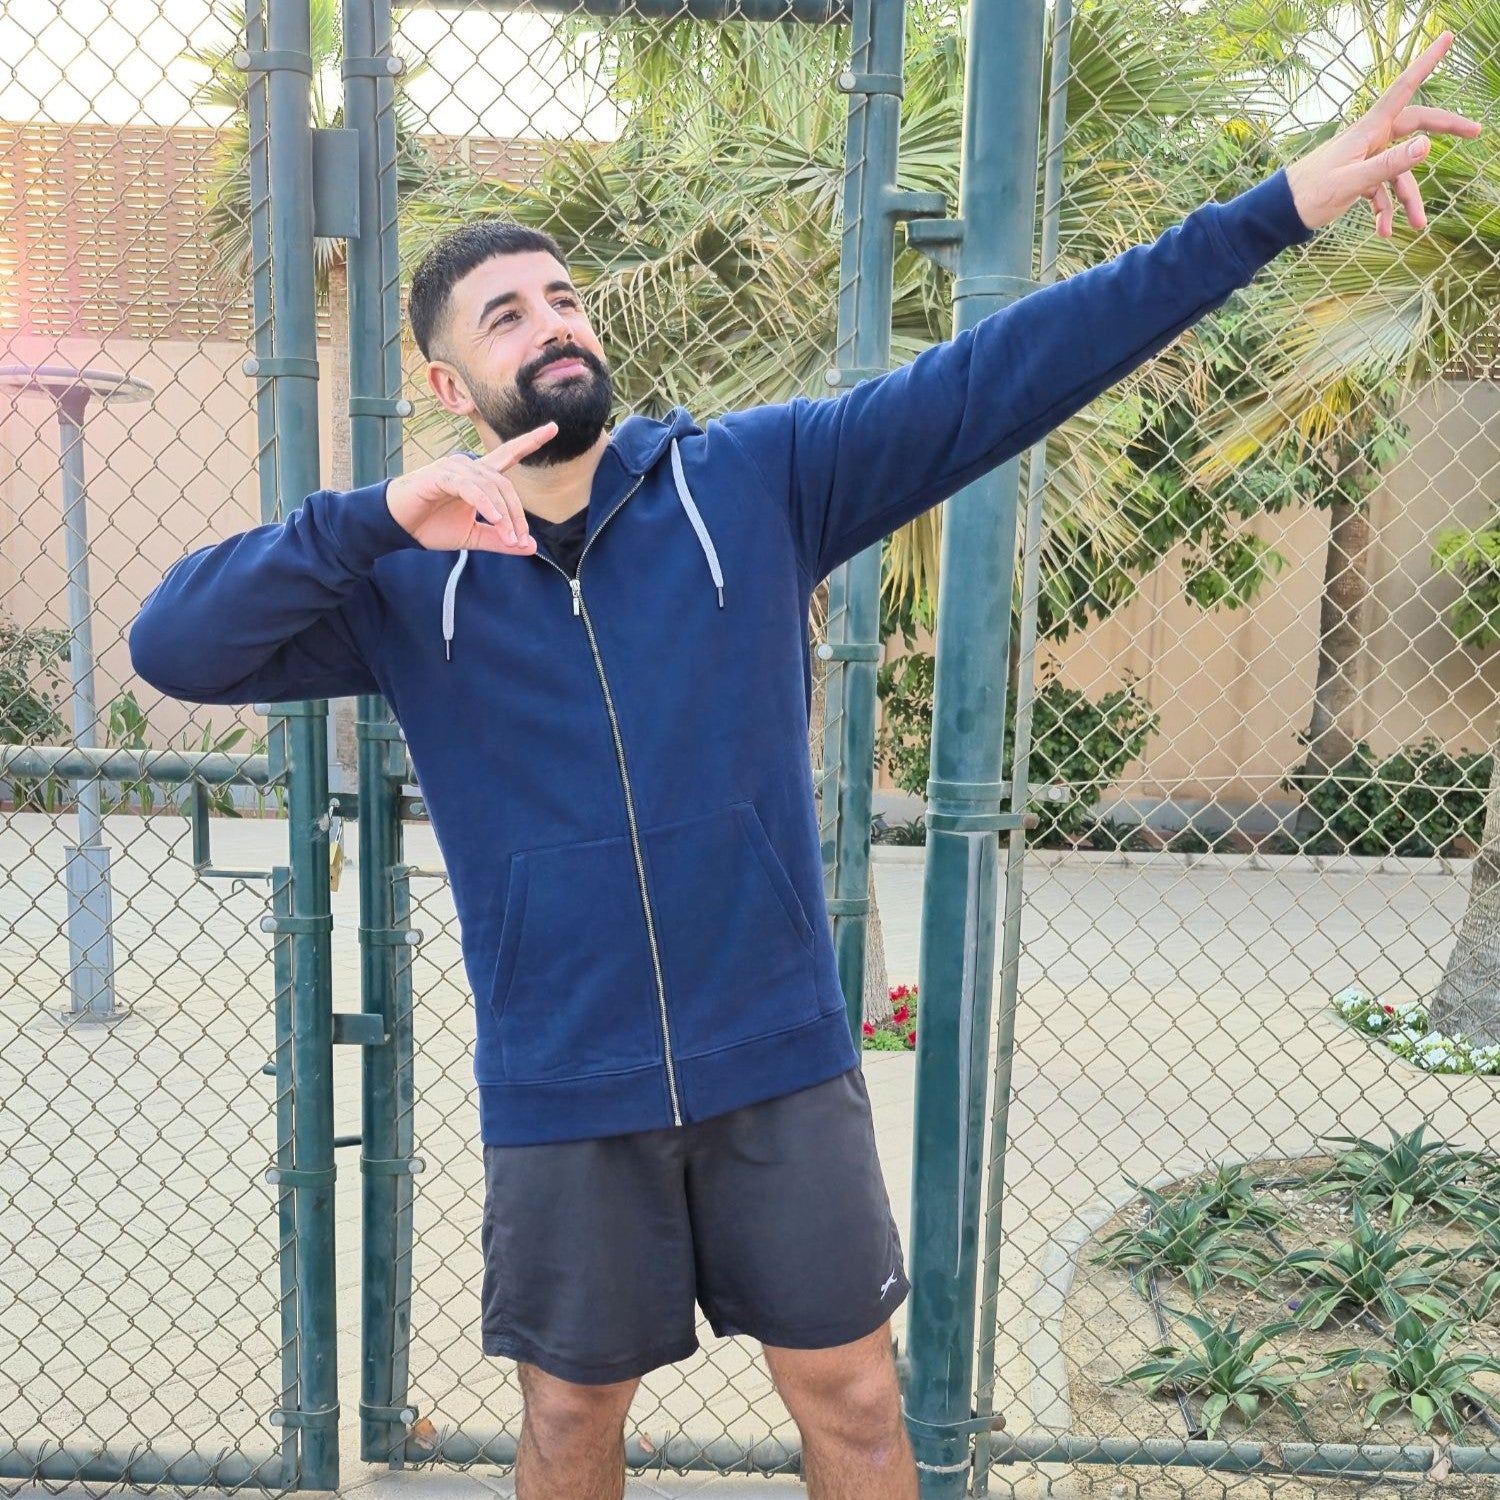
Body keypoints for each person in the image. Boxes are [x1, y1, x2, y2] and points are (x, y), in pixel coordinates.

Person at [129, 33, 1478, 1500]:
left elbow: (1009, 372)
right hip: (564, 1079)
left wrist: (1283, 205)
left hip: (777, 1052)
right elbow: (177, 646)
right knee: (571, 1423)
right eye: (505, 315)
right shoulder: (403, 584)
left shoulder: (748, 482)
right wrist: (380, 515)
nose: (552, 323)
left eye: (565, 296)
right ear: (453, 384)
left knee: (853, 1405)